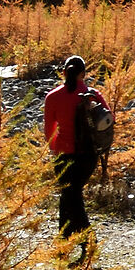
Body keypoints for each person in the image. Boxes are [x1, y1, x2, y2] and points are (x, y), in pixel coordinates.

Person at [42, 54, 113, 251]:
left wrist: (54, 149)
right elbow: (108, 121)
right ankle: (64, 243)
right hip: (89, 155)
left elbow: (49, 131)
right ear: (83, 73)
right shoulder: (93, 95)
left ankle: (88, 244)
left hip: (64, 155)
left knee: (71, 197)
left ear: (64, 73)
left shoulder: (53, 97)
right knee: (69, 196)